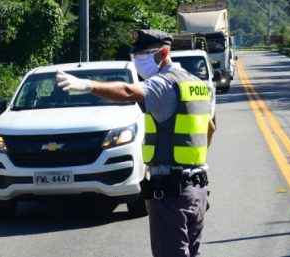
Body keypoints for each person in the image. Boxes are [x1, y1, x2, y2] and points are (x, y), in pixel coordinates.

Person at [56, 29, 216, 257]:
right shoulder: (198, 84)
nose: (138, 62)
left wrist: (88, 85)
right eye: (135, 57)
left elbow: (128, 90)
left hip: (171, 192)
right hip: (197, 190)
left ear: (163, 53)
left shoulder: (164, 84)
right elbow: (209, 128)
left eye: (143, 56)